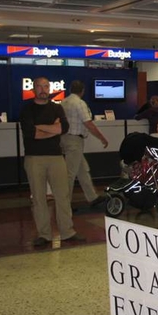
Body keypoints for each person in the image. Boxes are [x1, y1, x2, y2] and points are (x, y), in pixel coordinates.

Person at [19, 77, 85, 247]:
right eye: (39, 87)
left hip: (56, 157)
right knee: (39, 197)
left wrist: (40, 126)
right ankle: (44, 234)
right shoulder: (27, 110)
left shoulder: (57, 108)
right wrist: (52, 130)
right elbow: (31, 134)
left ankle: (67, 232)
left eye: (46, 86)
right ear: (33, 89)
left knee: (62, 195)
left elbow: (63, 128)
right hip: (34, 158)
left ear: (49, 88)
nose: (43, 89)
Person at [60, 80, 108, 208]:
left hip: (65, 139)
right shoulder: (79, 103)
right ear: (82, 91)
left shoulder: (63, 102)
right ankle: (65, 204)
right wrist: (102, 138)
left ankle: (92, 197)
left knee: (82, 170)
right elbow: (88, 123)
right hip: (75, 141)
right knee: (70, 174)